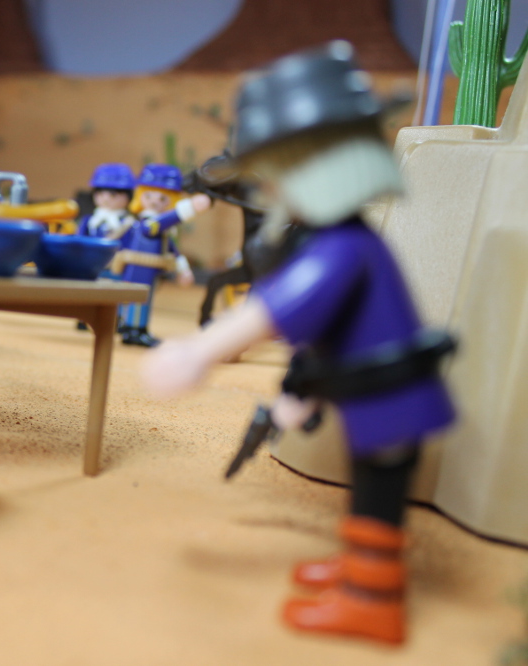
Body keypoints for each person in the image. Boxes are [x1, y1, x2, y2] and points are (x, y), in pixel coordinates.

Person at [142, 41, 456, 645]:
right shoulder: (335, 238)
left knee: (378, 489)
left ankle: (373, 599)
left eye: (275, 171)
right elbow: (326, 333)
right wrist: (297, 396)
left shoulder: (342, 248)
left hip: (390, 398)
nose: (269, 188)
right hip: (377, 393)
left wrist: (199, 353)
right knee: (370, 484)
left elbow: (276, 310)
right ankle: (361, 570)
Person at [115, 164, 209, 347]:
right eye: (148, 196)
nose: (154, 202)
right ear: (140, 196)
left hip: (150, 270)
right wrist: (189, 208)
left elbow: (172, 249)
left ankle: (136, 328)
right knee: (137, 297)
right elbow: (153, 226)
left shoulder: (163, 230)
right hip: (137, 268)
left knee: (143, 298)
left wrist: (183, 269)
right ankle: (133, 330)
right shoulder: (145, 223)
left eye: (162, 198)